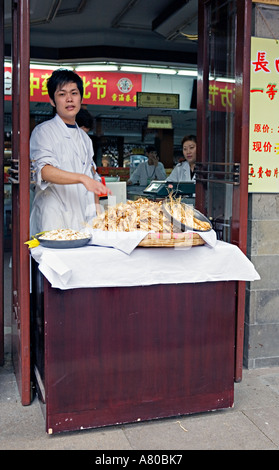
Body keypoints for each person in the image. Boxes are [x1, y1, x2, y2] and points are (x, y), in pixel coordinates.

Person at [30, 68, 110, 235]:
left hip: (81, 217)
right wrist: (82, 179)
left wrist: (98, 215)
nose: (69, 99)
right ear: (52, 100)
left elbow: (92, 176)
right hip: (53, 215)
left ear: (80, 98)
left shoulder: (85, 139)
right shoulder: (43, 131)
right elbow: (44, 171)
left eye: (74, 93)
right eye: (62, 94)